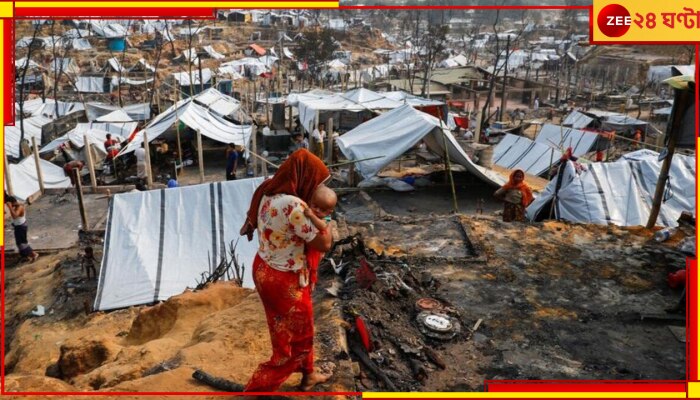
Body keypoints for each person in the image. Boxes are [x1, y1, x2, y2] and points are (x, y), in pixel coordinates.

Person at [240, 149, 334, 393]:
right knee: (295, 343)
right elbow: (323, 244)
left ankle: (309, 374)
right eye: (317, 182)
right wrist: (326, 223)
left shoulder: (268, 189)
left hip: (264, 268)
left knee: (288, 328)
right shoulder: (295, 206)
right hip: (285, 280)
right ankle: (256, 390)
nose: (317, 187)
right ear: (305, 176)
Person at [303, 186, 338, 289]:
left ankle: (312, 284)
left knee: (313, 266)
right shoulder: (311, 210)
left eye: (322, 210)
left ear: (329, 212)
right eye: (315, 206)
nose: (317, 210)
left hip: (316, 249)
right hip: (309, 244)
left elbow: (322, 226)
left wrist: (311, 216)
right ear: (310, 202)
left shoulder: (326, 218)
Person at [5, 196, 39, 262]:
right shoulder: (17, 206)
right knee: (19, 243)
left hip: (21, 227)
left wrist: (9, 207)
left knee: (22, 243)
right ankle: (25, 256)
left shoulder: (19, 207)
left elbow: (15, 216)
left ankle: (34, 254)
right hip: (18, 227)